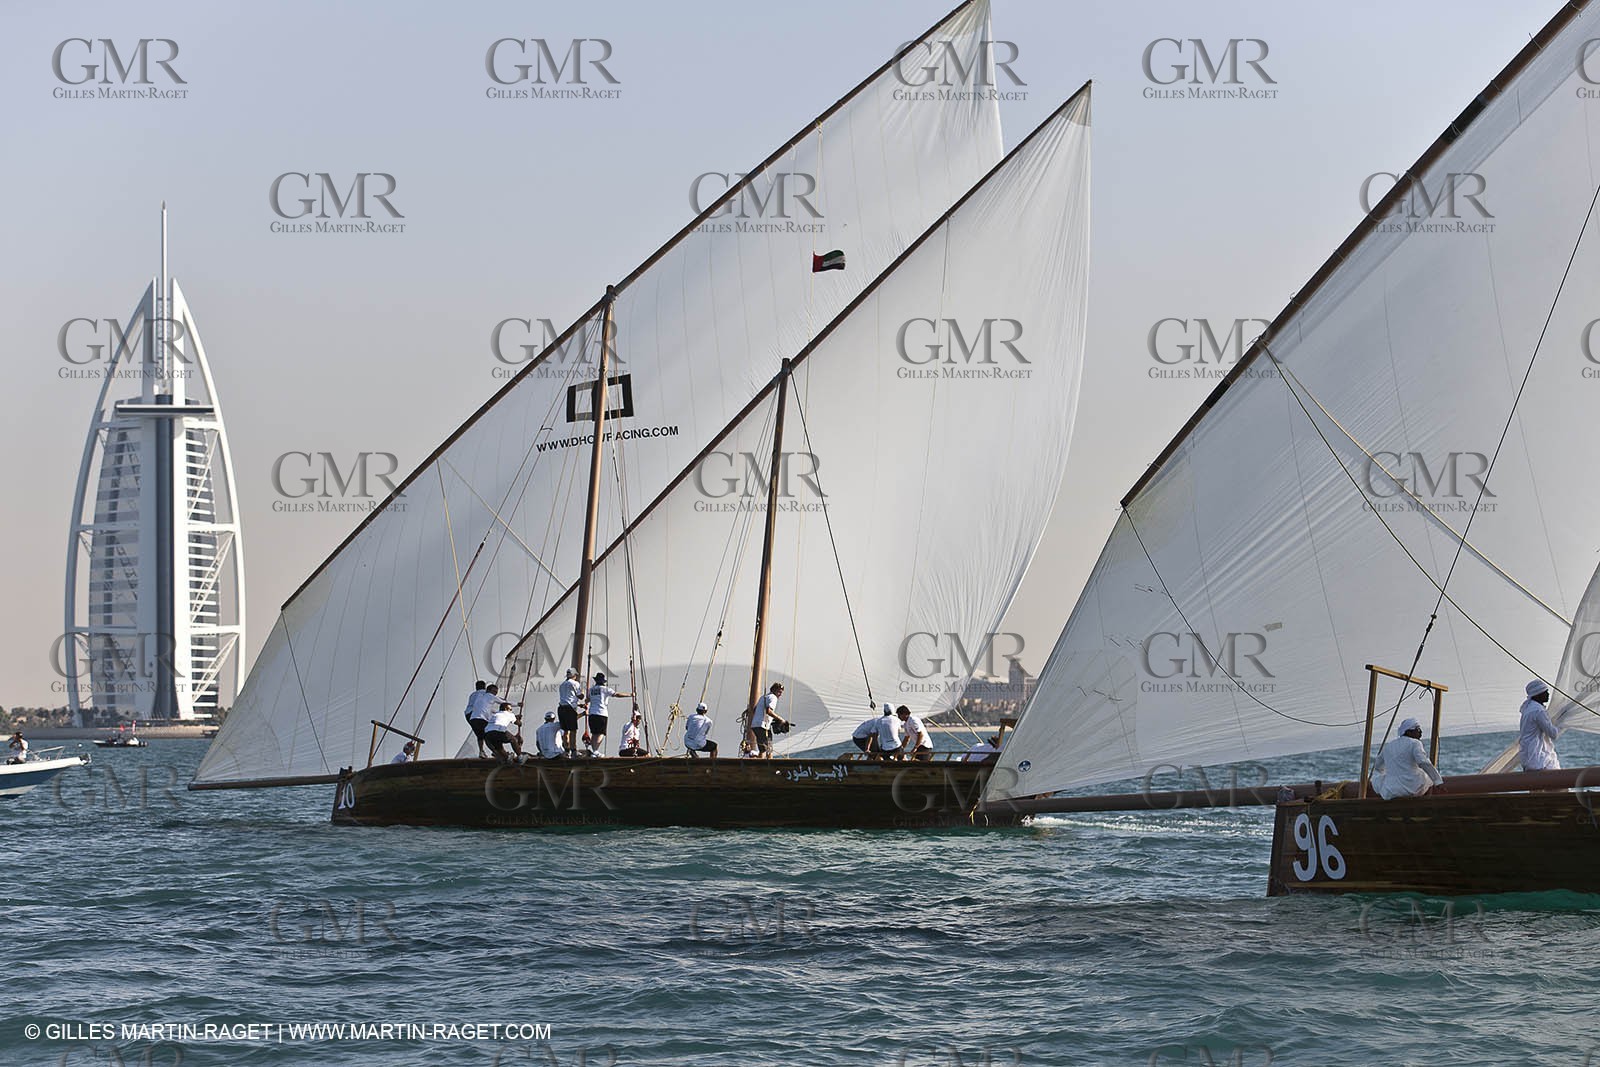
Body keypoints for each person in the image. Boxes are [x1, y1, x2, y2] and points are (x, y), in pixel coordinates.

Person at [1371, 716, 1444, 799]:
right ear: (1409, 732)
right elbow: (1423, 762)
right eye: (1418, 729)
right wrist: (1437, 781)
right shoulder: (1414, 743)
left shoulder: (1388, 746)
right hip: (1411, 788)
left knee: (1382, 777)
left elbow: (1377, 767)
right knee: (1428, 778)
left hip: (1391, 791)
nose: (1421, 732)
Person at [1519, 678, 1562, 771]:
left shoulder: (1528, 708)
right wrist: (1562, 722)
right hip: (1538, 758)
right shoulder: (1538, 711)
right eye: (1545, 692)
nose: (1548, 694)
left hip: (1528, 756)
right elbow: (1553, 734)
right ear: (1538, 694)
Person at [586, 673, 632, 757]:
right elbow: (617, 694)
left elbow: (587, 699)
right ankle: (595, 751)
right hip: (601, 713)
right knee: (601, 733)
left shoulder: (591, 690)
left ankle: (594, 751)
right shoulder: (605, 689)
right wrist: (630, 695)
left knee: (594, 733)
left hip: (592, 713)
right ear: (603, 682)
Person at [557, 667, 584, 757]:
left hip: (561, 708)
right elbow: (580, 696)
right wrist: (583, 691)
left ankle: (566, 749)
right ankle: (573, 750)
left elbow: (568, 698)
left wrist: (579, 705)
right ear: (574, 675)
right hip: (570, 709)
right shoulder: (575, 683)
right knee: (573, 730)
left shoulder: (562, 685)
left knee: (565, 730)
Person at [465, 680, 496, 758]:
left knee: (480, 734)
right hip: (477, 714)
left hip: (469, 715)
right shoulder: (485, 693)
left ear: (476, 687)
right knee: (488, 733)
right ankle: (496, 751)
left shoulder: (472, 695)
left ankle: (482, 751)